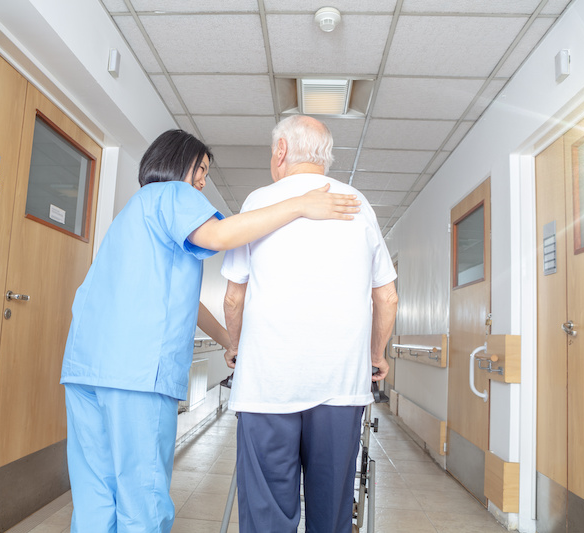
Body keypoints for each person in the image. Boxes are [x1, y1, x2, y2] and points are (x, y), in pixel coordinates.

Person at [59, 128, 361, 533]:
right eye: (200, 169)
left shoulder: (133, 212)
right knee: (141, 499)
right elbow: (220, 236)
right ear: (176, 162)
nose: (203, 181)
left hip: (85, 369)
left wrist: (229, 342)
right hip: (136, 374)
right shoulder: (173, 195)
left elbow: (184, 302)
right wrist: (301, 205)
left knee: (95, 498)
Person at [221, 115, 399, 533]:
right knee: (332, 513)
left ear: (280, 151)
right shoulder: (358, 204)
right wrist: (376, 355)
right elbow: (386, 296)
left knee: (267, 515)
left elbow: (234, 296)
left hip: (268, 385)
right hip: (340, 386)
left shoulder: (258, 201)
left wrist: (234, 345)